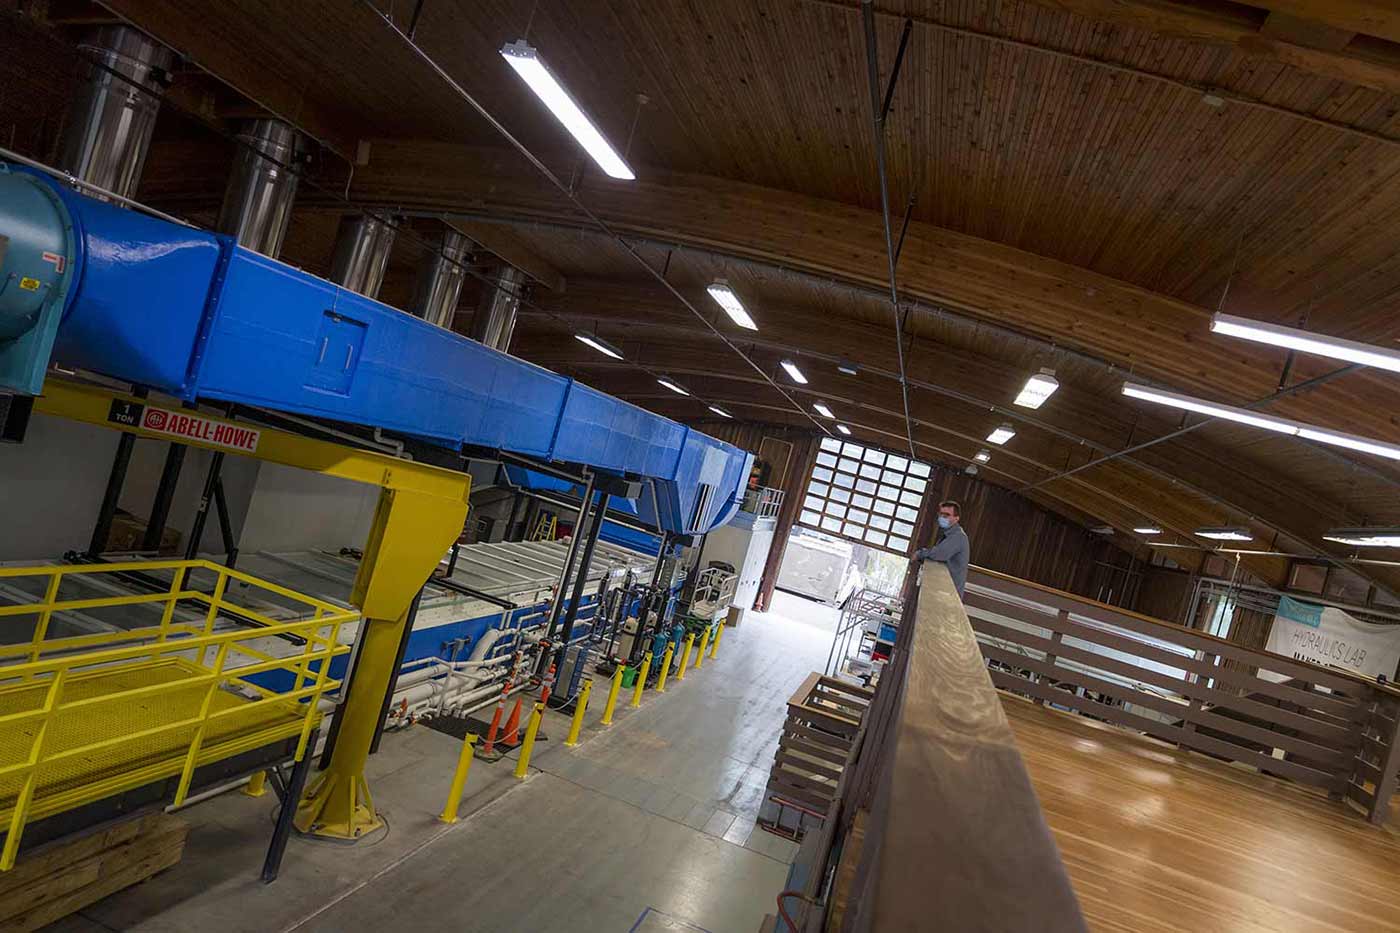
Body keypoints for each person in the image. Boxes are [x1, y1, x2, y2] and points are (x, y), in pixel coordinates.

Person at [914, 500, 970, 598]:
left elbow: (939, 554)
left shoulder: (958, 536)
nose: (942, 517)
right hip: (945, 590)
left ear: (956, 518)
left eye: (947, 515)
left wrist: (919, 554)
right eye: (941, 514)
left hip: (950, 593)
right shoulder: (948, 535)